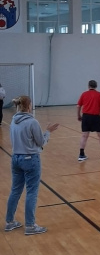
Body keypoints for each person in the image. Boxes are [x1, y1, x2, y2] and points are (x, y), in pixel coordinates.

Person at [5, 95, 59, 235]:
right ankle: (30, 225)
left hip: (15, 158)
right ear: (29, 106)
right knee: (31, 192)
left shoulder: (13, 120)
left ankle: (9, 222)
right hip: (30, 159)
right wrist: (48, 132)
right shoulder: (32, 122)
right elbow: (41, 142)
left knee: (15, 190)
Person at [77, 80, 100, 161]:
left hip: (86, 117)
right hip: (95, 117)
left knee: (84, 136)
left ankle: (81, 154)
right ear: (96, 86)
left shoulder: (84, 94)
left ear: (88, 86)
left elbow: (78, 106)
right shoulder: (99, 94)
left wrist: (78, 115)